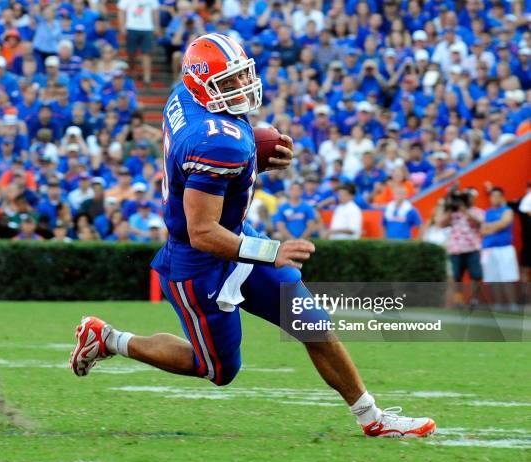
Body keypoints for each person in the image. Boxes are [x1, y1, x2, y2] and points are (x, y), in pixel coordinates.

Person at [70, 34, 436, 438]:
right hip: (199, 264)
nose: (240, 87)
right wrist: (269, 249)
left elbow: (207, 178)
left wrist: (251, 164)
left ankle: (373, 418)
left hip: (235, 236)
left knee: (313, 323)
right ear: (201, 83)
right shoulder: (214, 142)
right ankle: (108, 339)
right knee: (218, 369)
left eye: (240, 75)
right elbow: (202, 231)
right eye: (227, 83)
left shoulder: (189, 99)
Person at [480, 187, 520, 312]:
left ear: (502, 197)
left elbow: (505, 223)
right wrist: (495, 226)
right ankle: (498, 305)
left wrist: (489, 227)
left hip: (504, 248)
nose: (494, 199)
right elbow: (482, 231)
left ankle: (512, 305)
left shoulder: (507, 210)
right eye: (492, 196)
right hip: (488, 249)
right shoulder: (487, 212)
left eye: (497, 196)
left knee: (507, 278)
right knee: (493, 279)